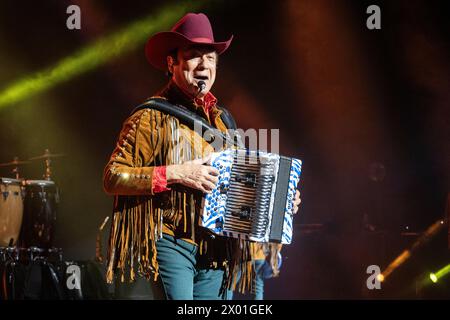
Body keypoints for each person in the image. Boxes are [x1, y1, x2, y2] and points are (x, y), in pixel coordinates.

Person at [103, 12, 301, 300]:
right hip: (171, 240)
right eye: (194, 56)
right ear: (172, 63)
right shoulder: (150, 116)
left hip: (217, 249)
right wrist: (177, 173)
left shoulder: (224, 122)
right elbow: (112, 177)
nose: (204, 65)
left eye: (210, 58)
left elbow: (239, 188)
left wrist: (279, 204)